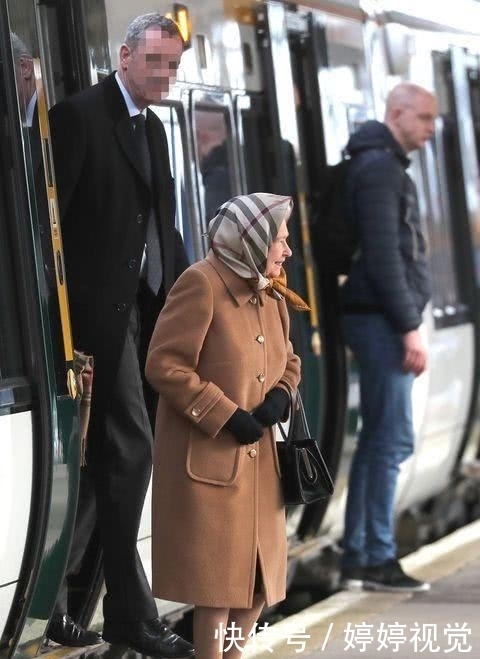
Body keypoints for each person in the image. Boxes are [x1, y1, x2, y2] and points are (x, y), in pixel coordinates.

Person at [47, 13, 193, 657]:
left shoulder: (155, 128)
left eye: (175, 66)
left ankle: (68, 600)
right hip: (96, 328)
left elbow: (164, 225)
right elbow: (50, 232)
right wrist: (64, 330)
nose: (166, 76)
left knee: (116, 462)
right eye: (157, 63)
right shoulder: (79, 117)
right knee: (130, 454)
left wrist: (194, 303)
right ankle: (130, 617)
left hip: (146, 315)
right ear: (126, 55)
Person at [145, 193, 306, 659]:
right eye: (281, 239)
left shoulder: (269, 289)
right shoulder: (201, 284)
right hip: (212, 464)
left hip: (260, 470)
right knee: (217, 591)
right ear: (253, 239)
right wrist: (224, 413)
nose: (287, 250)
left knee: (256, 587)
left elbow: (289, 360)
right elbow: (165, 365)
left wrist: (280, 395)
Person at [339, 82, 438, 592]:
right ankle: (376, 555)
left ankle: (360, 554)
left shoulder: (379, 164)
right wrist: (408, 327)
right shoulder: (379, 170)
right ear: (396, 112)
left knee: (380, 437)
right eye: (423, 118)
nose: (429, 130)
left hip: (377, 319)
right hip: (379, 321)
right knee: (391, 439)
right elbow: (383, 257)